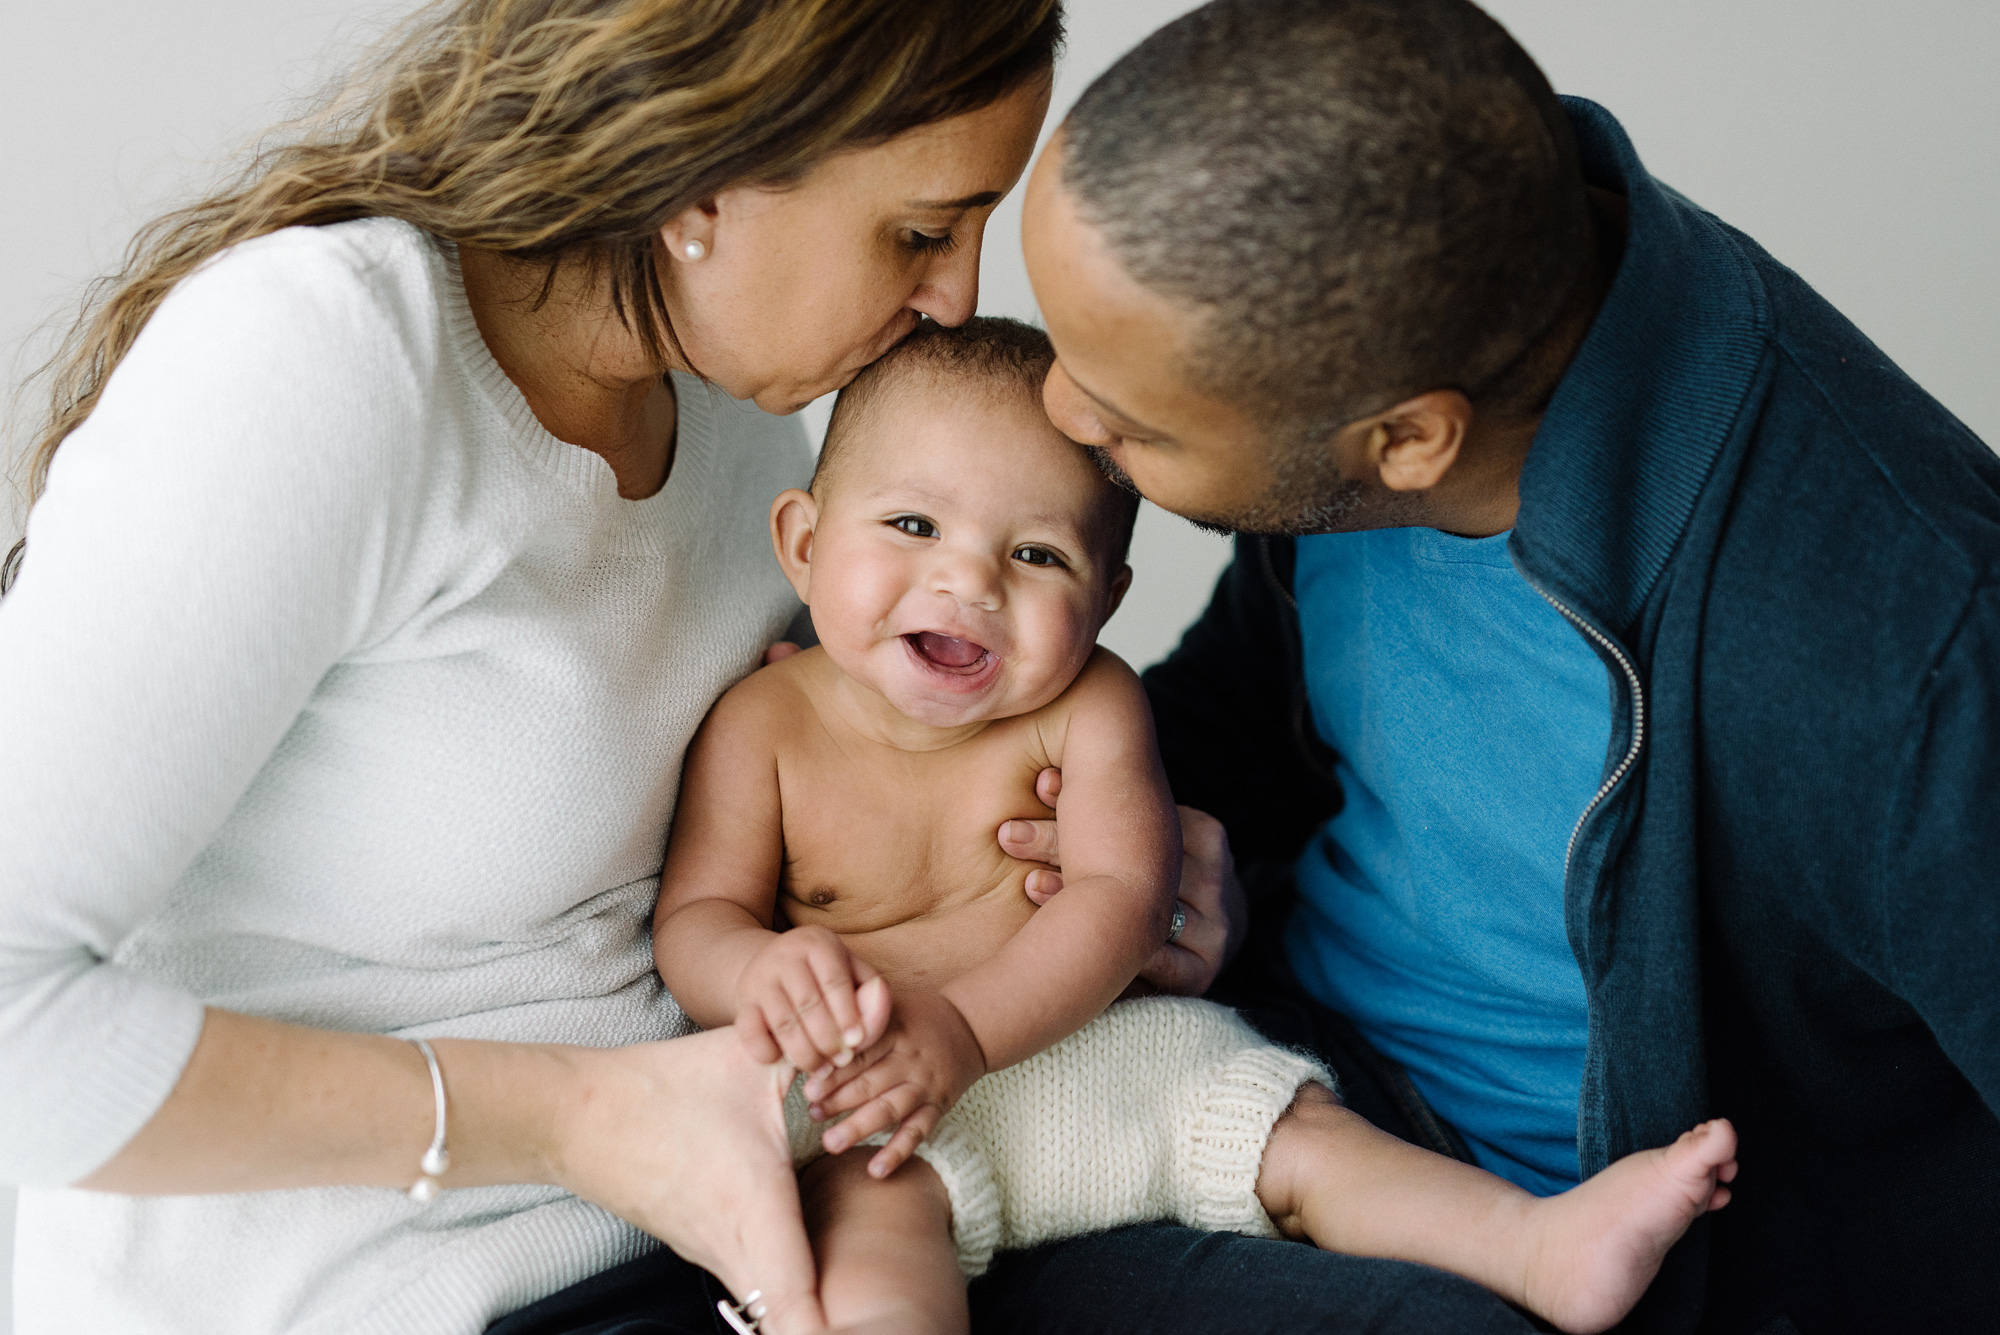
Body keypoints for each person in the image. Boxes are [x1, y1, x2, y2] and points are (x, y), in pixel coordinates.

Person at [0, 1, 1085, 1330]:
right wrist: (587, 1119)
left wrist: (1079, 856)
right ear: (712, 169)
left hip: (742, 1219)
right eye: (921, 231)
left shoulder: (749, 447)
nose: (956, 301)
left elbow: (789, 841)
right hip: (380, 1288)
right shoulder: (330, 360)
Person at [992, 0, 2000, 1332]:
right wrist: (1153, 854)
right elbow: (1236, 726)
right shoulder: (1402, 326)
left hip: (1598, 1252)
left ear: (1407, 439)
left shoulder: (1906, 653)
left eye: (1129, 418)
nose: (1060, 411)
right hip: (1271, 1083)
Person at [653, 316, 1741, 1335]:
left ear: (1107, 596)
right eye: (910, 524)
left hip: (1099, 1059)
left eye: (1035, 554)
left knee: (1295, 1130)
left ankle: (1536, 1243)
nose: (966, 578)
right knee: (859, 1241)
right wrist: (759, 974)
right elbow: (699, 915)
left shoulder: (1087, 708)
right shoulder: (765, 724)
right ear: (800, 542)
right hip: (876, 1102)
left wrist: (970, 1036)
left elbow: (1123, 900)